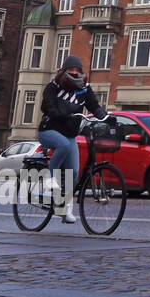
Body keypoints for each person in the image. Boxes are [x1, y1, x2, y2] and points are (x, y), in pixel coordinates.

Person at [38, 55, 108, 224]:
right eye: (71, 70)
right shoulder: (53, 86)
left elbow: (93, 106)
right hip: (49, 131)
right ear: (64, 70)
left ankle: (62, 209)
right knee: (61, 144)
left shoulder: (84, 87)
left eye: (77, 70)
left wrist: (105, 117)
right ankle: (50, 178)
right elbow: (47, 105)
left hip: (70, 134)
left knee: (74, 173)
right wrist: (60, 114)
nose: (74, 73)